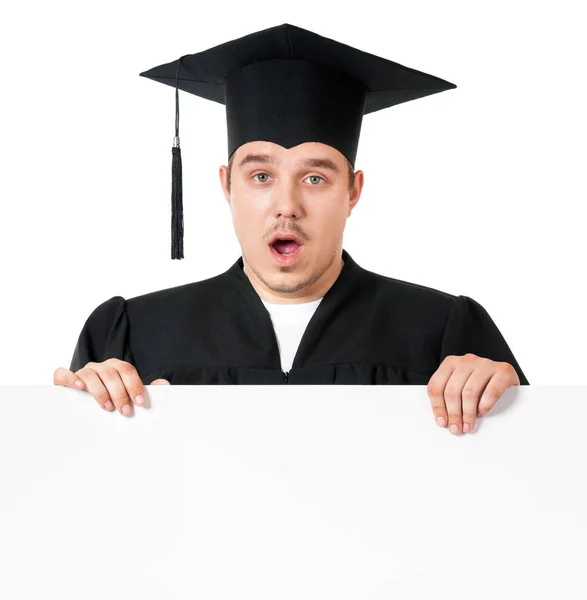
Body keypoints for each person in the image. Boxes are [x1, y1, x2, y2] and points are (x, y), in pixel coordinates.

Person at [53, 23, 529, 436]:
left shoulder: (442, 333)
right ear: (226, 186)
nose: (287, 206)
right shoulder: (133, 334)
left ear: (353, 193)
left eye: (315, 178)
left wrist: (513, 409)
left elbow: (541, 499)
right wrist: (72, 420)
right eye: (261, 176)